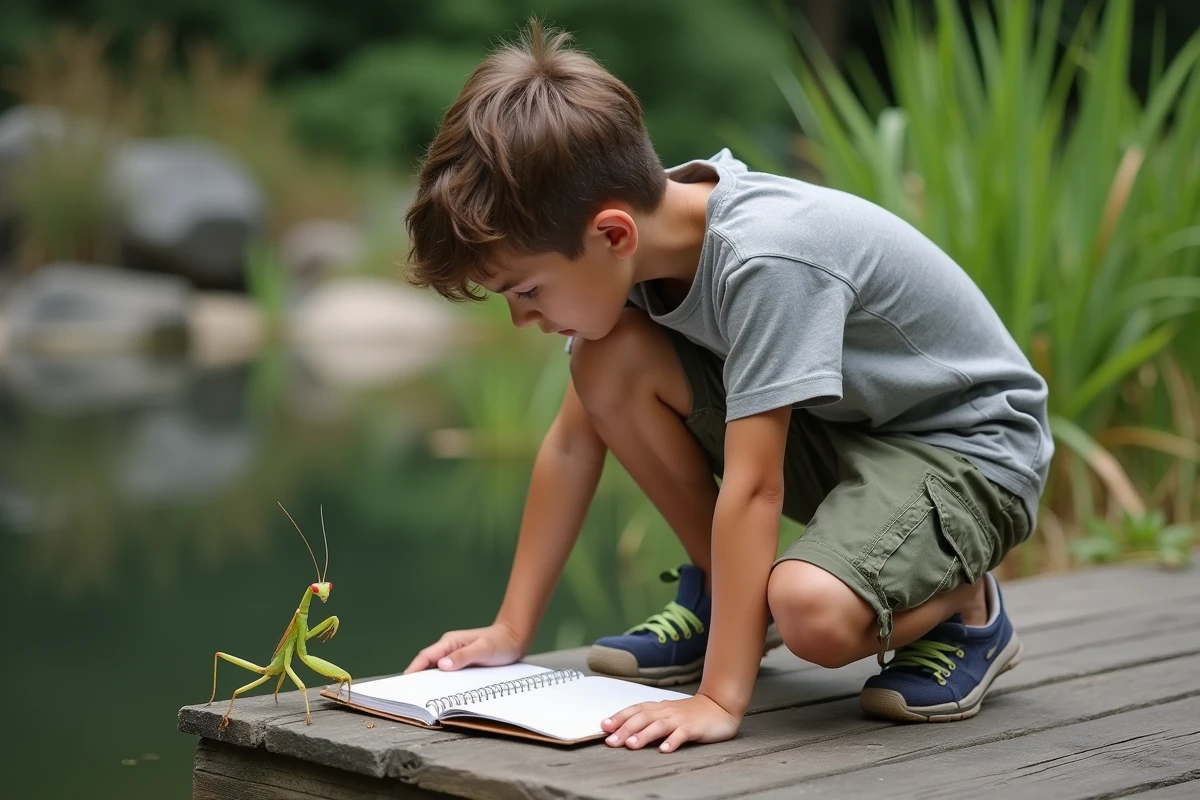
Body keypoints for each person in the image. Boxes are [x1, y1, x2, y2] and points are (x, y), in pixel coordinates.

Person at [402, 21, 1052, 754]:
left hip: (969, 454)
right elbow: (571, 444)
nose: (523, 318)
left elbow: (755, 491)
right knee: (606, 363)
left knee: (812, 614)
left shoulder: (766, 262)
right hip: (849, 430)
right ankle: (725, 597)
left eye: (526, 291)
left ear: (612, 235)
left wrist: (718, 698)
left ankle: (969, 606)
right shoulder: (642, 248)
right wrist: (511, 628)